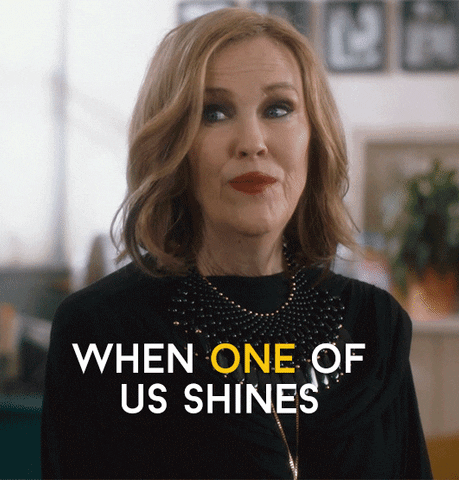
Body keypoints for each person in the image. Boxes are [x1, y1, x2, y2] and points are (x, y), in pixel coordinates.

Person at [41, 8, 432, 479]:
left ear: (314, 136)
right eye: (214, 113)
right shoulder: (99, 329)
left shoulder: (376, 324)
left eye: (278, 109)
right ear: (172, 145)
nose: (252, 142)